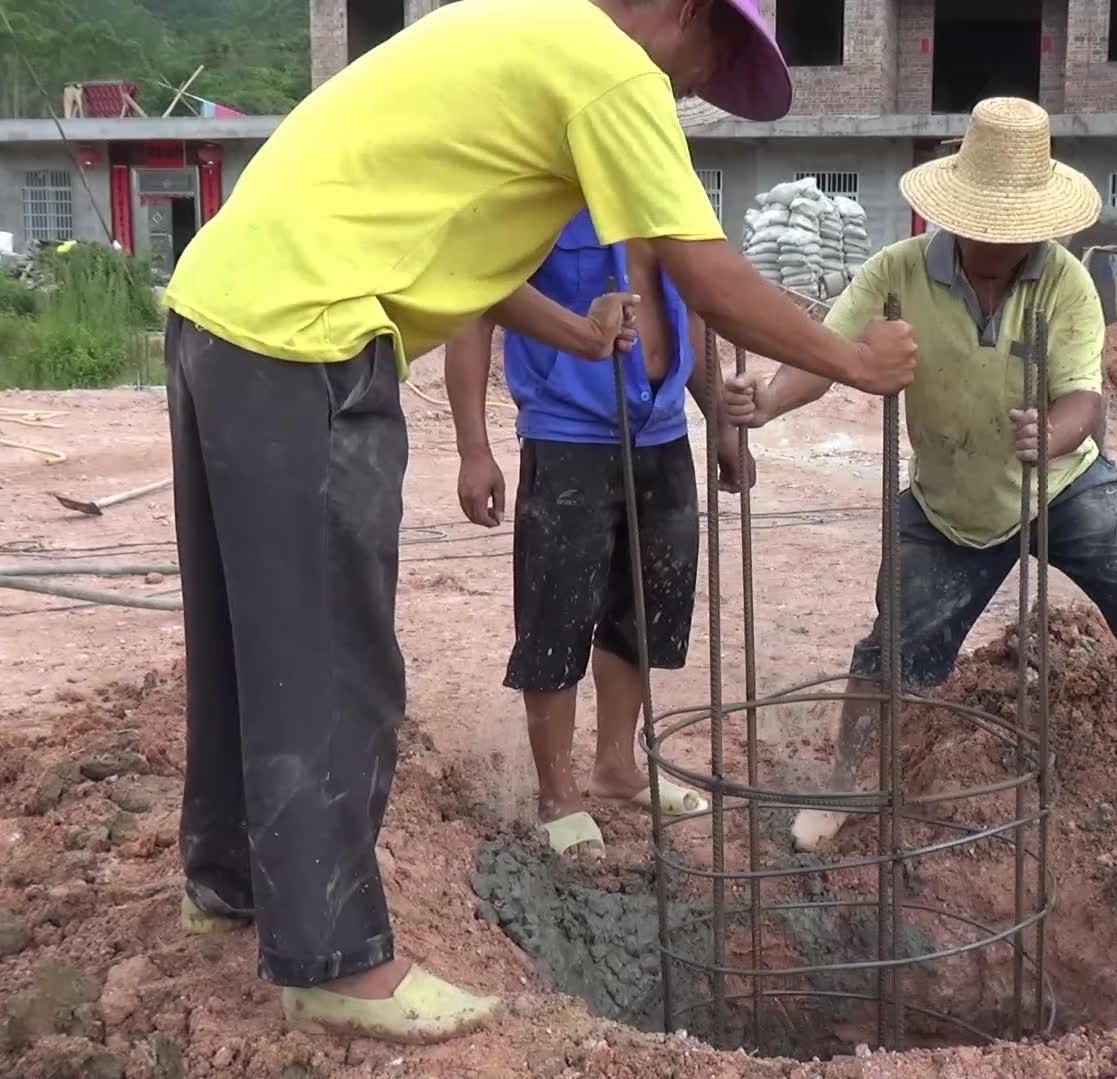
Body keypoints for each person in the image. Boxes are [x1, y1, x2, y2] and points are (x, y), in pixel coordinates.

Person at [159, 0, 917, 1045]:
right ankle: (337, 959)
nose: (691, 92)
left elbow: (477, 260)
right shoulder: (615, 74)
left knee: (247, 638)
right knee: (335, 658)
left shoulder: (527, 32)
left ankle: (227, 883)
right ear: (687, 14)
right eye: (709, 64)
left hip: (221, 308)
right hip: (307, 337)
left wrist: (572, 330)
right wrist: (853, 362)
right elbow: (707, 275)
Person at [722, 98, 1117, 854]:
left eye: (1019, 225)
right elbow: (826, 353)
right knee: (888, 647)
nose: (1004, 239)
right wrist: (768, 401)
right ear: (959, 214)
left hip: (1063, 486)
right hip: (949, 503)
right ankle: (845, 782)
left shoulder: (1064, 282)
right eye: (990, 224)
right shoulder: (898, 273)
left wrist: (1054, 431)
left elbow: (1084, 399)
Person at [445, 211, 746, 861]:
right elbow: (476, 308)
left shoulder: (662, 188)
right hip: (568, 432)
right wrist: (474, 446)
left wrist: (719, 418)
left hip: (662, 428)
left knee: (645, 605)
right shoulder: (543, 190)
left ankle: (616, 766)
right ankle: (557, 795)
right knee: (557, 611)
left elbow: (693, 308)